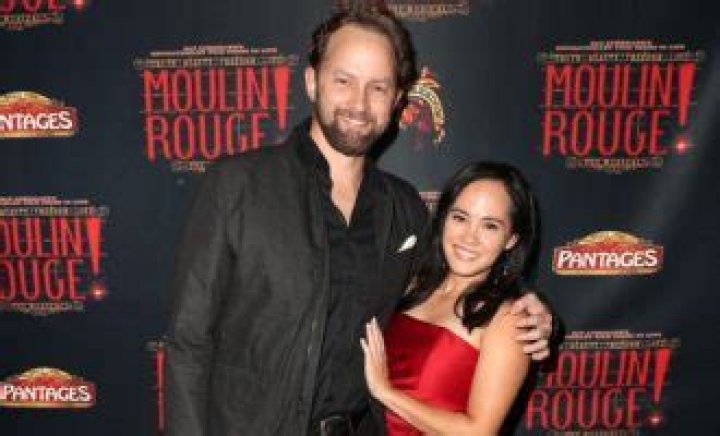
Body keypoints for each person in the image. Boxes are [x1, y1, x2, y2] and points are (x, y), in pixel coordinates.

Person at [165, 5, 554, 436]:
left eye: (378, 87)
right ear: (312, 81)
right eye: (343, 80)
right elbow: (188, 342)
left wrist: (530, 308)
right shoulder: (237, 184)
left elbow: (452, 278)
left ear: (398, 100)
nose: (359, 103)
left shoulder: (403, 208)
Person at [361, 161, 540, 435]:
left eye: (490, 226)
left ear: (511, 239)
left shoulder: (509, 321)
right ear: (444, 218)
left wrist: (385, 392)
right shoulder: (409, 283)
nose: (469, 237)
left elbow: (479, 432)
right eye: (460, 218)